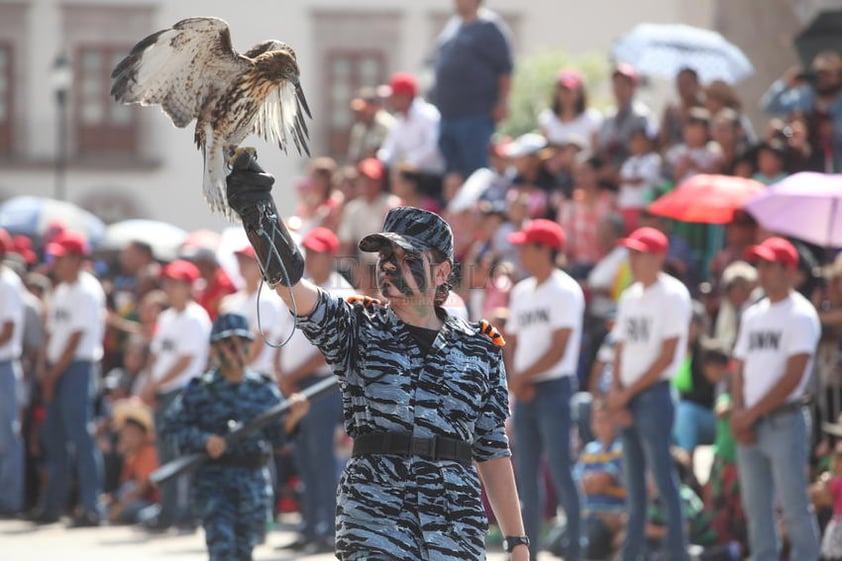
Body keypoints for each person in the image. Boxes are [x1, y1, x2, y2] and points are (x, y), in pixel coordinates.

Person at [225, 151, 530, 561]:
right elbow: (295, 290)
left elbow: (492, 450)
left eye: (406, 259)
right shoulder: (357, 324)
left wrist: (517, 541)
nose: (388, 267)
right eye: (385, 257)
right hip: (375, 518)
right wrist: (261, 218)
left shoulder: (479, 348)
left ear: (441, 272)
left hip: (454, 525)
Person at [165, 313, 310, 561]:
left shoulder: (263, 388)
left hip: (251, 486)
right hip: (214, 485)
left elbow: (277, 438)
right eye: (227, 343)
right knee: (222, 551)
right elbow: (173, 429)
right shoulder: (200, 389)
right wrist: (204, 440)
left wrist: (293, 417)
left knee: (244, 553)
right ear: (214, 349)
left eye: (241, 342)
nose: (235, 350)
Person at [731, 236, 822, 561]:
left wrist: (748, 413)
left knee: (795, 507)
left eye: (769, 264)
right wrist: (739, 412)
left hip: (784, 419)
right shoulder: (753, 313)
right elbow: (739, 366)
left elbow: (793, 376)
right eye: (760, 264)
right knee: (756, 510)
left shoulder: (801, 314)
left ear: (789, 270)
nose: (762, 271)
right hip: (752, 422)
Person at [607, 226, 692, 561]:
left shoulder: (673, 294)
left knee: (663, 479)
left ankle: (677, 553)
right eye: (631, 252)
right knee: (635, 486)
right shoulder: (630, 295)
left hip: (654, 396)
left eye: (639, 253)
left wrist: (624, 394)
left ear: (657, 257)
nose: (632, 259)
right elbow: (620, 348)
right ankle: (632, 554)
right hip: (629, 395)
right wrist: (616, 393)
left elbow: (669, 354)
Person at [506, 219, 585, 561]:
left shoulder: (565, 289)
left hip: (554, 386)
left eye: (527, 245)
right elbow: (512, 341)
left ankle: (577, 548)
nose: (521, 251)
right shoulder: (522, 291)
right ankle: (530, 551)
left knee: (560, 468)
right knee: (526, 474)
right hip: (526, 387)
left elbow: (559, 346)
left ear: (545, 250)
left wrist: (521, 377)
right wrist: (516, 379)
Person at [276, 227, 351, 553]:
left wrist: (290, 374)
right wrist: (282, 373)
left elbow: (332, 347)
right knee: (304, 459)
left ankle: (327, 530)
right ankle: (309, 526)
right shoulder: (300, 285)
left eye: (318, 251)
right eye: (308, 250)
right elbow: (282, 335)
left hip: (324, 385)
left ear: (331, 255)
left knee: (321, 459)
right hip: (296, 384)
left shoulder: (339, 289)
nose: (311, 256)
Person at [37, 231, 106, 526]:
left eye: (61, 257)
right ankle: (55, 505)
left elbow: (76, 338)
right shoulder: (62, 289)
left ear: (77, 259)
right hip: (58, 367)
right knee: (55, 438)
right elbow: (52, 332)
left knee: (81, 436)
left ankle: (91, 507)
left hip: (77, 368)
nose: (55, 262)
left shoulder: (87, 289)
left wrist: (52, 374)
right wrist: (44, 366)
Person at [141, 259, 211, 531]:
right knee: (166, 453)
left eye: (175, 283)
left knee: (182, 453)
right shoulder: (167, 316)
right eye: (168, 282)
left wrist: (155, 385)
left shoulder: (196, 316)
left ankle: (187, 515)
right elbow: (156, 355)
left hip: (184, 391)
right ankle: (168, 511)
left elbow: (186, 360)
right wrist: (149, 385)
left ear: (189, 287)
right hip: (163, 391)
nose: (169, 288)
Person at [432, 0, 514, 177]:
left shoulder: (489, 27)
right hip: (447, 116)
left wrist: (502, 101)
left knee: (476, 174)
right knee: (452, 175)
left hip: (475, 116)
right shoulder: (453, 26)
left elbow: (504, 68)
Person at [377, 72, 445, 198]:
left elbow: (434, 147)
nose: (391, 100)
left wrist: (407, 162)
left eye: (395, 96)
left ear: (406, 96)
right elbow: (389, 151)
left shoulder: (428, 115)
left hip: (431, 180)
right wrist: (378, 161)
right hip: (407, 176)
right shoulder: (399, 121)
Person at [0, 228, 25, 516]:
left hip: (4, 366)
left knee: (7, 436)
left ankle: (10, 501)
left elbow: (6, 331)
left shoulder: (8, 283)